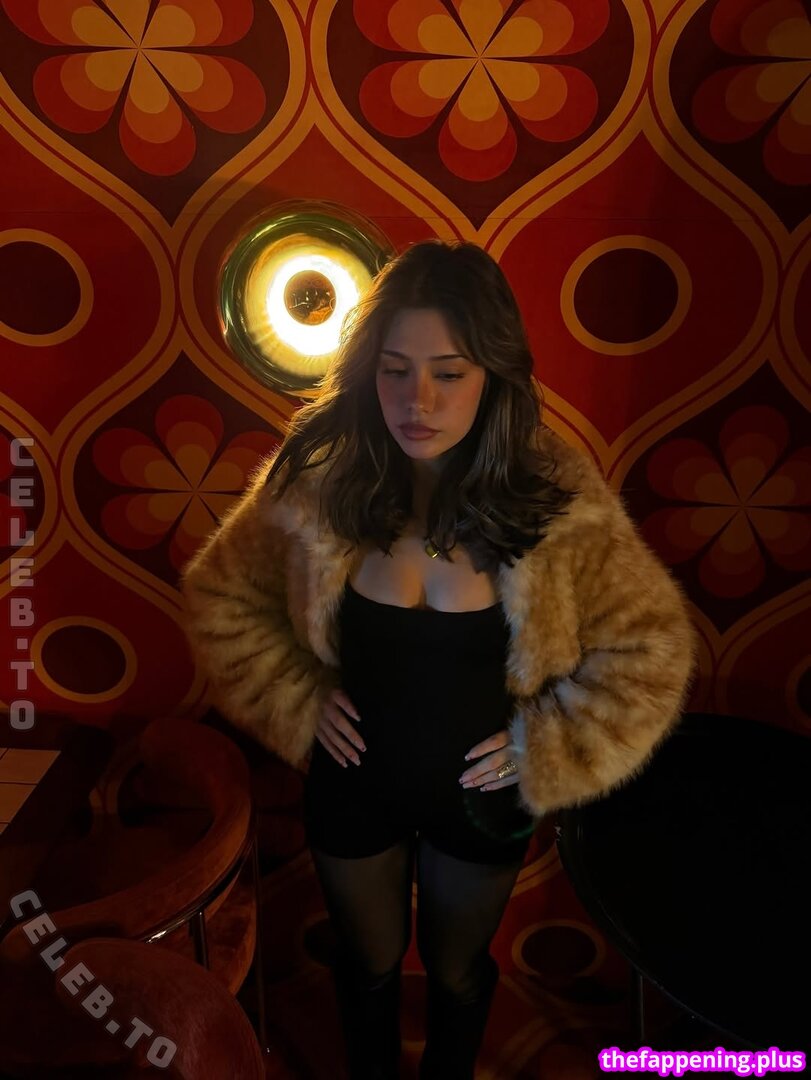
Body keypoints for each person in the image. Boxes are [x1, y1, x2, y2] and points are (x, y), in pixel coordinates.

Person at [180, 240, 696, 1079]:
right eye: (394, 370)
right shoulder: (320, 479)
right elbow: (219, 597)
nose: (416, 401)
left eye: (448, 373)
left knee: (458, 973)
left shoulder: (557, 498)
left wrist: (546, 746)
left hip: (482, 801)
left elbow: (651, 651)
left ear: (493, 374)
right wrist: (296, 699)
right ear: (368, 371)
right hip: (352, 785)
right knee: (367, 966)